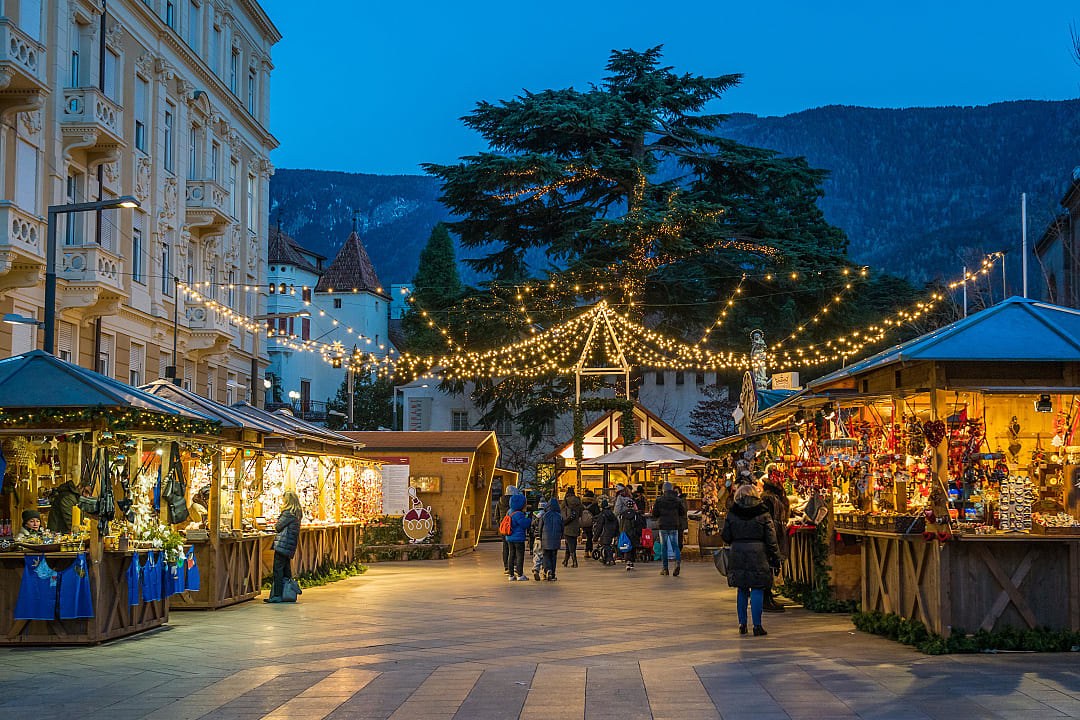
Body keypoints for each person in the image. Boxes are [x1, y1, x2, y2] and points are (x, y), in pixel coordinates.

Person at [721, 483, 782, 636]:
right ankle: (757, 625)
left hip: (738, 553)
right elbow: (771, 538)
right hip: (758, 554)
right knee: (757, 589)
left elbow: (726, 536)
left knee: (742, 589)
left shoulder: (732, 513)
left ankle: (742, 623)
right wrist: (776, 559)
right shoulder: (763, 512)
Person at [760, 475, 792, 613]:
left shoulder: (775, 499)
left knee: (771, 565)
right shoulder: (768, 500)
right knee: (769, 565)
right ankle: (766, 599)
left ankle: (768, 596)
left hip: (775, 533)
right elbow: (770, 520)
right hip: (771, 535)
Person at [266, 491, 302, 603]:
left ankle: (277, 595)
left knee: (278, 570)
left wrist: (274, 524)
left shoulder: (288, 513)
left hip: (282, 544)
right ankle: (287, 593)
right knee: (286, 570)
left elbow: (278, 527)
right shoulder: (297, 513)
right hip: (289, 545)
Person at [652, 481, 687, 577]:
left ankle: (665, 568)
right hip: (674, 525)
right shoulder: (677, 500)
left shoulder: (659, 500)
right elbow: (682, 512)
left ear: (663, 490)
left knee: (664, 547)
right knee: (675, 546)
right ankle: (677, 562)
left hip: (663, 525)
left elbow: (654, 513)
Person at [505, 493, 531, 581]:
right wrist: (529, 518)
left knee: (511, 555)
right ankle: (520, 574)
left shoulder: (509, 511)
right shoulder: (518, 514)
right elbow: (525, 524)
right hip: (518, 538)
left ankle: (511, 575)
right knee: (520, 556)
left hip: (509, 537)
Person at [496, 485, 519, 575]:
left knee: (505, 547)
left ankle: (506, 567)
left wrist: (501, 525)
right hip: (514, 527)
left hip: (504, 528)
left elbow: (496, 515)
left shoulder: (500, 501)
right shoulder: (516, 501)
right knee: (514, 547)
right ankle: (514, 566)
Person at [618, 498, 645, 571]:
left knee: (627, 548)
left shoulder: (622, 515)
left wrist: (621, 533)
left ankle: (628, 561)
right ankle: (632, 561)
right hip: (634, 534)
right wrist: (639, 533)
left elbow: (621, 525)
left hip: (625, 533)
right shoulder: (636, 515)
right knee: (633, 547)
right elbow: (640, 525)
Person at [541, 496, 564, 580]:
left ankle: (547, 569)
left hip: (545, 539)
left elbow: (540, 527)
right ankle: (552, 574)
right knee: (553, 557)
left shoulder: (544, 515)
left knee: (546, 555)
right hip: (556, 539)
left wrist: (540, 537)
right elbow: (562, 528)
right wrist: (561, 536)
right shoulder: (559, 516)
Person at [561, 487, 584, 568]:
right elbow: (581, 513)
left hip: (567, 525)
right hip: (575, 525)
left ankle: (575, 561)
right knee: (570, 543)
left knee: (570, 544)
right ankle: (565, 560)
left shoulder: (566, 501)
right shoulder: (578, 501)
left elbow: (562, 512)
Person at [596, 498, 619, 565]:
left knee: (606, 545)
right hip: (612, 532)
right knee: (608, 545)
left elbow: (599, 527)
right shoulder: (612, 514)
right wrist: (617, 533)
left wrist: (595, 537)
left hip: (605, 532)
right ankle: (606, 558)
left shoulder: (602, 514)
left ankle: (610, 559)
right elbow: (617, 524)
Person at [529, 500, 547, 580]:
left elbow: (532, 526)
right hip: (545, 538)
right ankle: (544, 572)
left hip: (537, 538)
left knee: (537, 554)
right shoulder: (546, 515)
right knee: (545, 555)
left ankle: (536, 568)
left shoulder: (534, 515)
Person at [581, 490, 599, 556]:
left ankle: (588, 551)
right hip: (591, 522)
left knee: (589, 536)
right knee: (589, 537)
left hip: (583, 522)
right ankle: (588, 551)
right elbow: (597, 513)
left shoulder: (581, 503)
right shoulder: (594, 503)